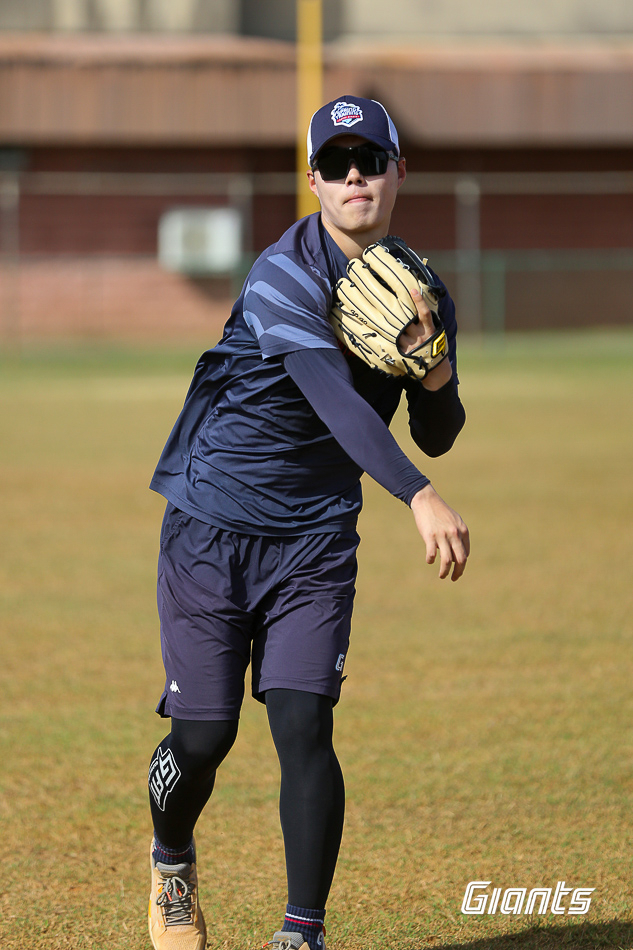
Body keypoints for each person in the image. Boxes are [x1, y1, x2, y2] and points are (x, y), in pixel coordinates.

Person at [146, 95, 469, 950]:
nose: (354, 174)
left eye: (370, 159)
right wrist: (418, 493)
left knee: (302, 722)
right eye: (335, 163)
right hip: (214, 523)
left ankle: (301, 933)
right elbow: (336, 403)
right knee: (205, 734)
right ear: (314, 181)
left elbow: (436, 423)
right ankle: (171, 860)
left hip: (315, 537)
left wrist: (433, 368)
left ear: (399, 170)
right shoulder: (281, 274)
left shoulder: (418, 287)